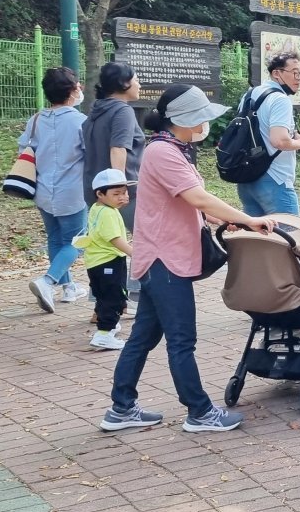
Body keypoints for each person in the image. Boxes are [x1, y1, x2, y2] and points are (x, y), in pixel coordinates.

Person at [99, 84, 277, 434]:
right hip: (166, 260)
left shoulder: (172, 149)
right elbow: (198, 198)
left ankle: (121, 407)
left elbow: (189, 203)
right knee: (181, 341)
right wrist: (247, 219)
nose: (206, 124)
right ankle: (199, 412)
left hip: (158, 258)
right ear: (187, 119)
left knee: (143, 338)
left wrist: (223, 218)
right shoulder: (164, 152)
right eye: (202, 118)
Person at [23, 67, 87, 313]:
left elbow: (24, 150)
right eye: (77, 85)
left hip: (42, 190)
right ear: (72, 91)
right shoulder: (80, 121)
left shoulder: (36, 119)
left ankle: (68, 287)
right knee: (78, 241)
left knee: (55, 238)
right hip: (71, 191)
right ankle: (47, 281)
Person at [84, 62, 145, 300]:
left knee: (103, 244)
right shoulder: (122, 110)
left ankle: (100, 302)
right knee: (143, 238)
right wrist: (119, 189)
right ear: (124, 84)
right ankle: (136, 295)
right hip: (119, 192)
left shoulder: (96, 110)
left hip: (94, 188)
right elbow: (118, 148)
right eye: (136, 78)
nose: (139, 84)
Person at [237, 52, 300, 217]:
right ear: (277, 73)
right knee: (289, 237)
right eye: (295, 72)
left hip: (248, 178)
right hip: (275, 179)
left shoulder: (250, 95)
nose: (299, 78)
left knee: (258, 238)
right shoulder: (280, 99)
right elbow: (279, 140)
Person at [81, 169, 136, 350]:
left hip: (95, 263)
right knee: (113, 298)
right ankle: (104, 334)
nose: (122, 197)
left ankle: (108, 327)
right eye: (116, 194)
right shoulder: (108, 213)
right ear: (100, 194)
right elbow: (115, 239)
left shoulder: (98, 208)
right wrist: (134, 253)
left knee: (103, 296)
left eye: (125, 193)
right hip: (109, 261)